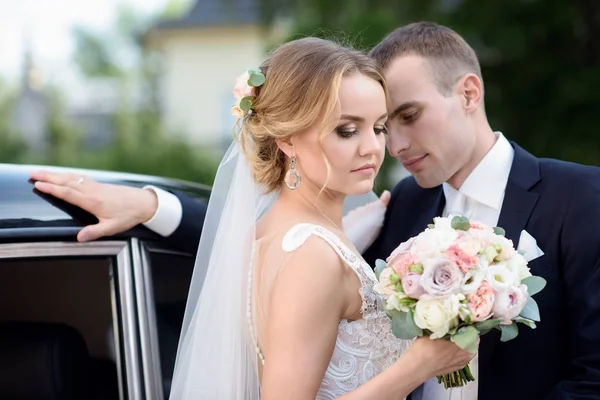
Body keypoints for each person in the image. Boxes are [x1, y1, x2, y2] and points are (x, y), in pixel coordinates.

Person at [32, 37, 475, 399]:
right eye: (346, 129)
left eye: (378, 127)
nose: (373, 147)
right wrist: (417, 366)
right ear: (287, 140)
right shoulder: (314, 254)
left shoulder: (269, 235)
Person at [361, 22, 600, 400]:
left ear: (469, 94)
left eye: (408, 116)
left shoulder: (583, 198)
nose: (396, 146)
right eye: (383, 127)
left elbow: (594, 377)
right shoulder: (403, 204)